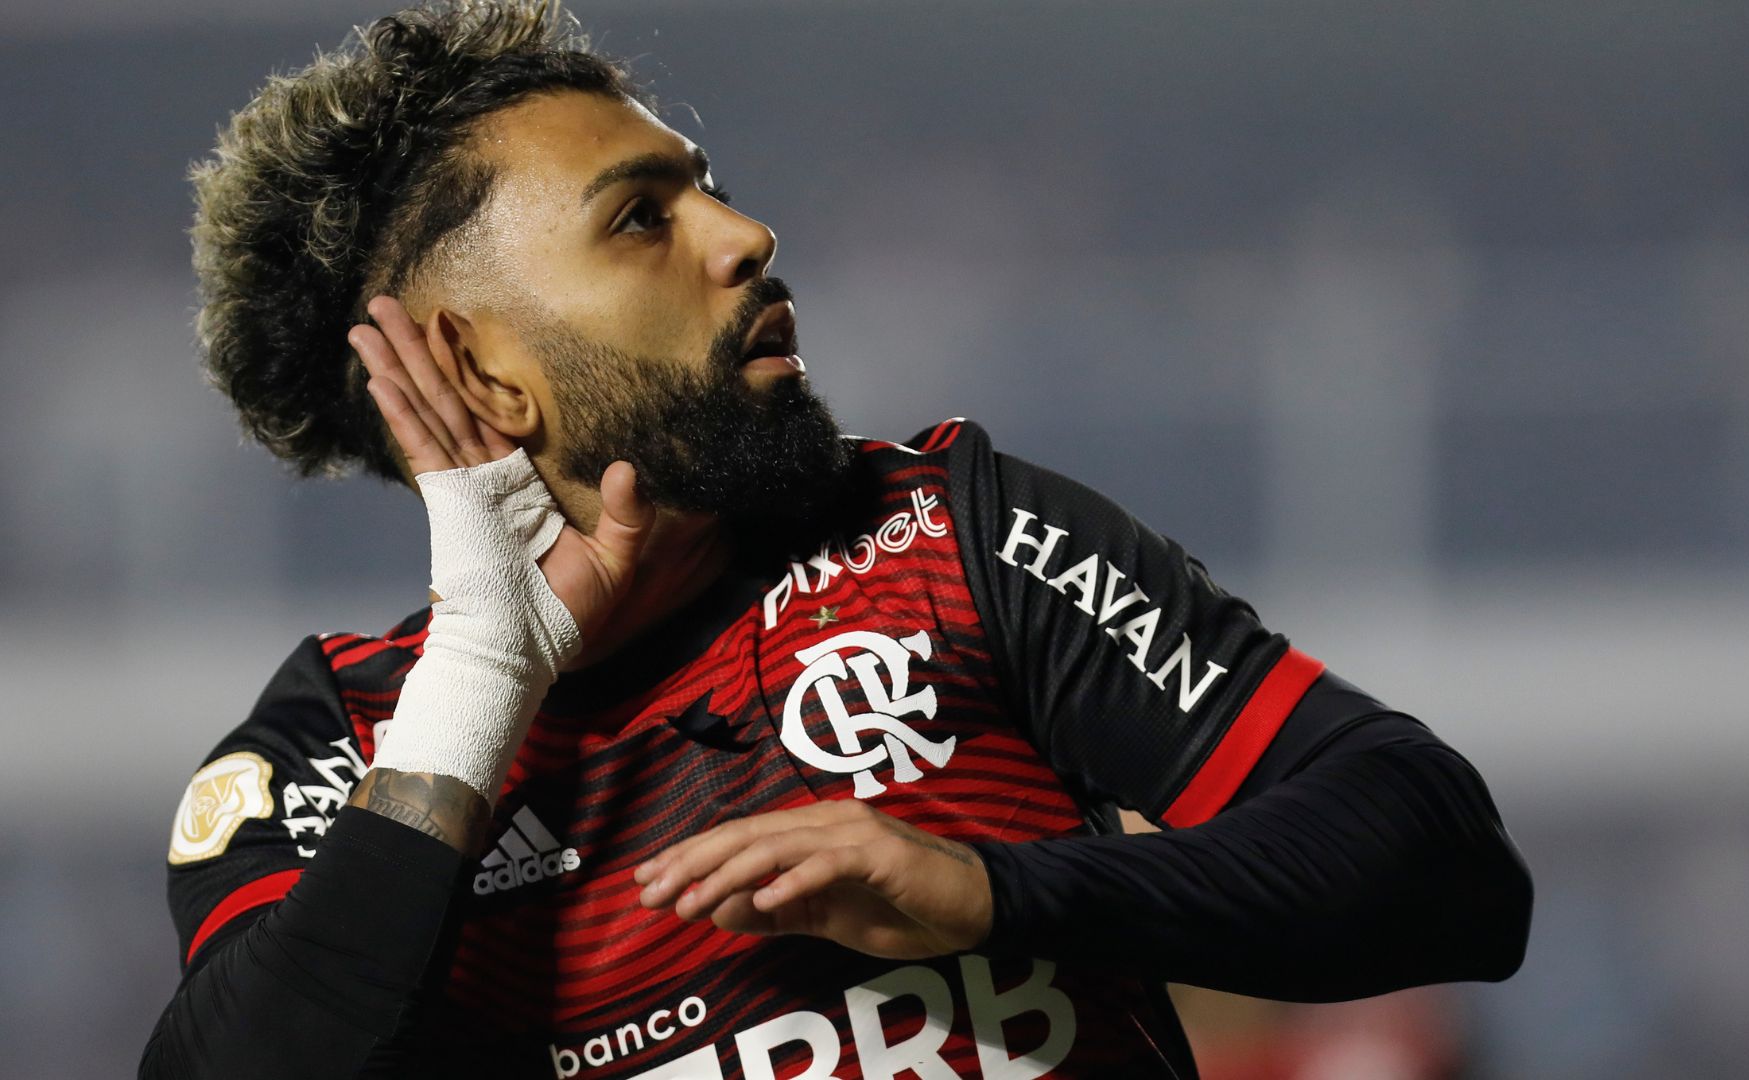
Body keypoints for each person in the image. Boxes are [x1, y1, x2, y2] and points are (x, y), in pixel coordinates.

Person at [143, 3, 1532, 1077]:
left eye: (709, 187)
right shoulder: (338, 743)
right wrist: (477, 689)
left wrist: (994, 892)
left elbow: (1446, 864)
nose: (746, 236)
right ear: (484, 371)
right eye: (643, 219)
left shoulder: (944, 533)